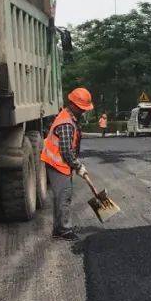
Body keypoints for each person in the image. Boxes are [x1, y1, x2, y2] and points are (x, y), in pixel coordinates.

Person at [39, 87, 94, 242]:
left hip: (59, 163)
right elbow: (66, 152)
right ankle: (64, 230)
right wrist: (78, 166)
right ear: (74, 105)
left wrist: (75, 165)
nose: (83, 112)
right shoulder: (66, 124)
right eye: (82, 108)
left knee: (60, 197)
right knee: (64, 197)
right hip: (58, 164)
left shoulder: (69, 117)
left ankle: (58, 229)